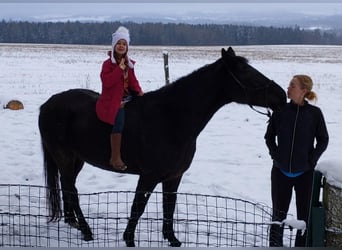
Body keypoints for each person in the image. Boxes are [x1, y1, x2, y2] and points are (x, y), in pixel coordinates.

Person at [264, 75, 329, 247]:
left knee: (304, 218)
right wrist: (276, 156)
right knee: (278, 216)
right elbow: (269, 137)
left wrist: (311, 160)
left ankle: (300, 247)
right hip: (280, 173)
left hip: (304, 175)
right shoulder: (280, 111)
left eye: (292, 85)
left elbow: (323, 139)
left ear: (303, 91)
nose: (288, 88)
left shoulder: (315, 114)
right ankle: (275, 246)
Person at [96, 26, 143, 171]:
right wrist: (119, 69)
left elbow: (133, 82)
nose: (121, 46)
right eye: (119, 43)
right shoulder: (108, 64)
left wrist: (140, 93)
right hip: (112, 101)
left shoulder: (129, 64)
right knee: (119, 120)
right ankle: (115, 157)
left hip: (128, 98)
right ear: (114, 46)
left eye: (124, 44)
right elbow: (107, 82)